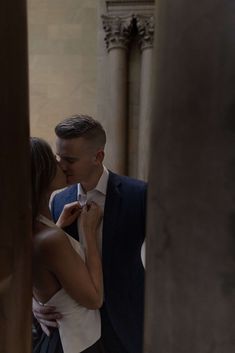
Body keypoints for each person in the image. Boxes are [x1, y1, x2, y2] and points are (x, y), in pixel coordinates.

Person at [33, 115, 147, 353]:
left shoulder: (140, 195)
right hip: (73, 335)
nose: (62, 165)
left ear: (98, 157)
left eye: (70, 160)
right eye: (58, 157)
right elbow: (41, 259)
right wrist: (36, 302)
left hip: (125, 325)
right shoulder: (57, 200)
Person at [31, 137, 104, 353]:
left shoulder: (36, 226)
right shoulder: (51, 239)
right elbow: (95, 299)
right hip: (73, 345)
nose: (62, 165)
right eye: (54, 161)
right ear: (41, 174)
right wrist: (88, 232)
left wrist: (59, 226)